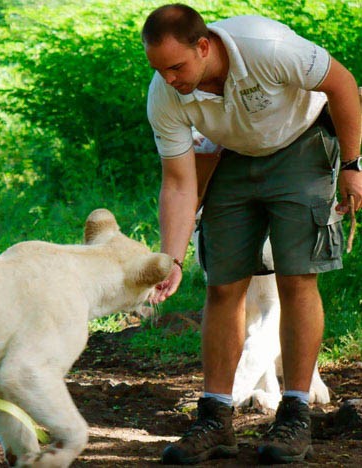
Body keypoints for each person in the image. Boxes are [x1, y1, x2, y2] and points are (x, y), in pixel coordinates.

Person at [141, 4, 361, 465]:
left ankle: (295, 411)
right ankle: (215, 418)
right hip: (233, 156)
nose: (170, 78)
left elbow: (341, 83)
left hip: (301, 143)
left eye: (177, 66)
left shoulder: (267, 46)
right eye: (159, 69)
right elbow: (180, 184)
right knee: (223, 283)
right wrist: (172, 259)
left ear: (204, 46)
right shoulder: (164, 92)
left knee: (297, 277)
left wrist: (352, 164)